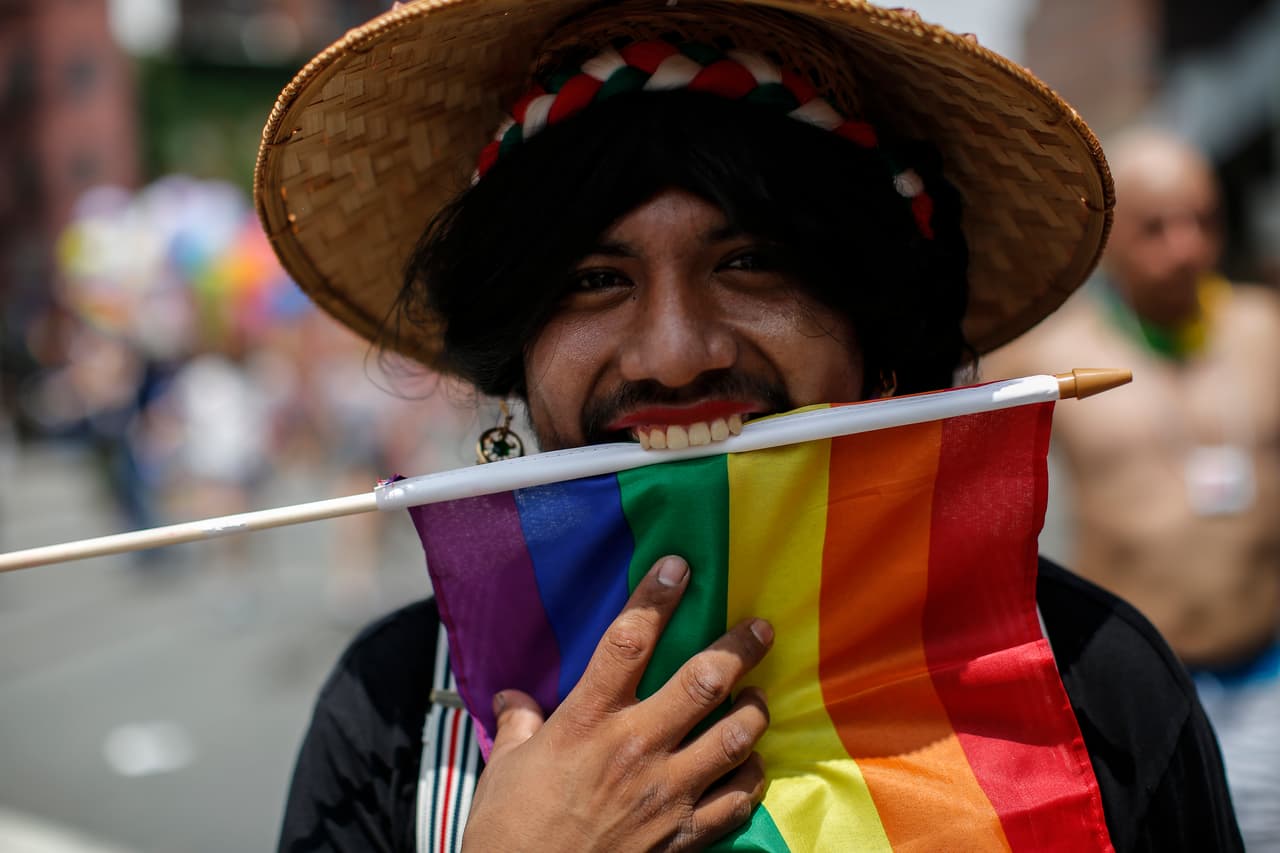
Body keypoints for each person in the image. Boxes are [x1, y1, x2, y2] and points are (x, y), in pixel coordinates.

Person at [257, 3, 1242, 850]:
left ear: (877, 328)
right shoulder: (396, 708)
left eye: (750, 262)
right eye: (595, 280)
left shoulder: (1089, 681)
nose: (674, 353)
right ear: (513, 350)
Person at [985, 128, 1280, 851]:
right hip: (1151, 696)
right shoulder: (1049, 356)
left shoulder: (1263, 328)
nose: (1184, 246)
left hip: (1272, 671)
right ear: (1108, 236)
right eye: (1155, 227)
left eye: (1202, 220)